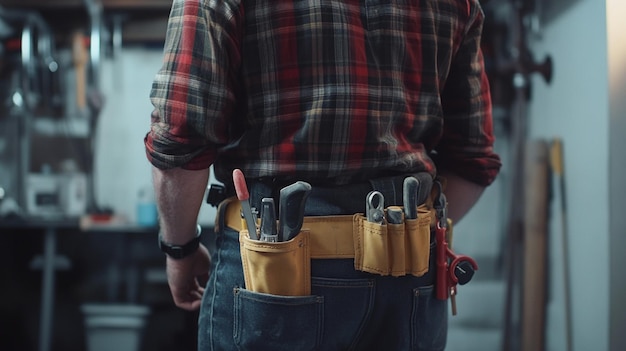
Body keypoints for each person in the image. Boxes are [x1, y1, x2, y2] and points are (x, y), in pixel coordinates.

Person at [145, 0, 501, 350]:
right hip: (410, 285)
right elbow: (473, 161)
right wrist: (404, 242)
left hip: (272, 286)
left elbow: (181, 141)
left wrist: (180, 249)